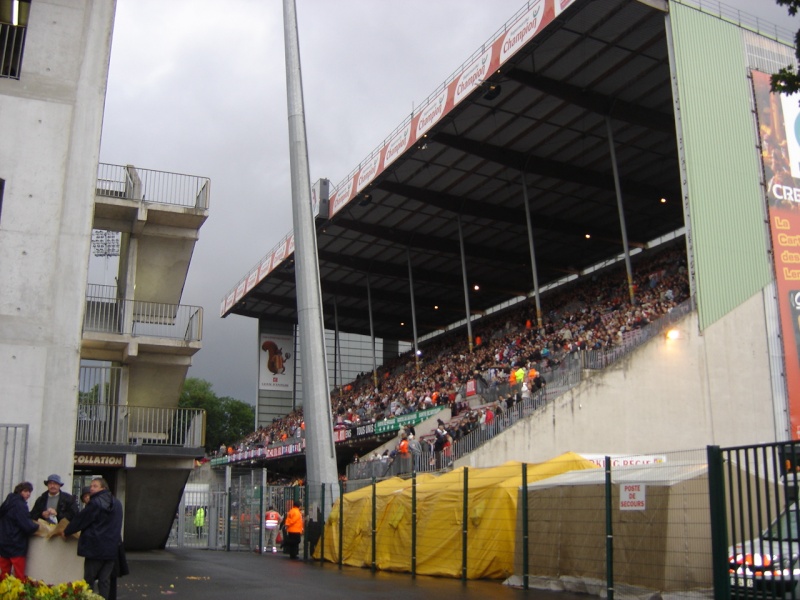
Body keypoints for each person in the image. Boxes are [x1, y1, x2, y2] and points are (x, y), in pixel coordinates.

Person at [63, 477, 123, 600]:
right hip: (111, 549)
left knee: (89, 579)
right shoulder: (117, 503)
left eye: (95, 486)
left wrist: (67, 531)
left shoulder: (95, 503)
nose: (91, 488)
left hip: (95, 547)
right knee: (104, 580)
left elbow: (81, 520)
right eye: (91, 486)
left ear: (103, 488)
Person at [0, 482, 39, 578]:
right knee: (19, 576)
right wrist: (37, 526)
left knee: (4, 576)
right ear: (19, 491)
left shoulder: (7, 502)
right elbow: (27, 526)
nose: (28, 494)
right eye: (26, 491)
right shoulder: (20, 505)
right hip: (16, 544)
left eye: (30, 492)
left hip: (3, 543)